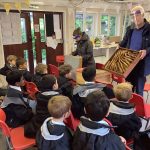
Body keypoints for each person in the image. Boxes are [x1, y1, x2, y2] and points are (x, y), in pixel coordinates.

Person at [119, 5, 150, 96]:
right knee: (129, 88)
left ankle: (138, 109)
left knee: (139, 91)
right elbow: (124, 42)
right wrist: (119, 45)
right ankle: (130, 109)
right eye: (133, 15)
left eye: (137, 15)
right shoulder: (130, 29)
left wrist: (146, 51)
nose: (135, 18)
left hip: (141, 65)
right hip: (129, 63)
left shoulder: (149, 29)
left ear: (143, 15)